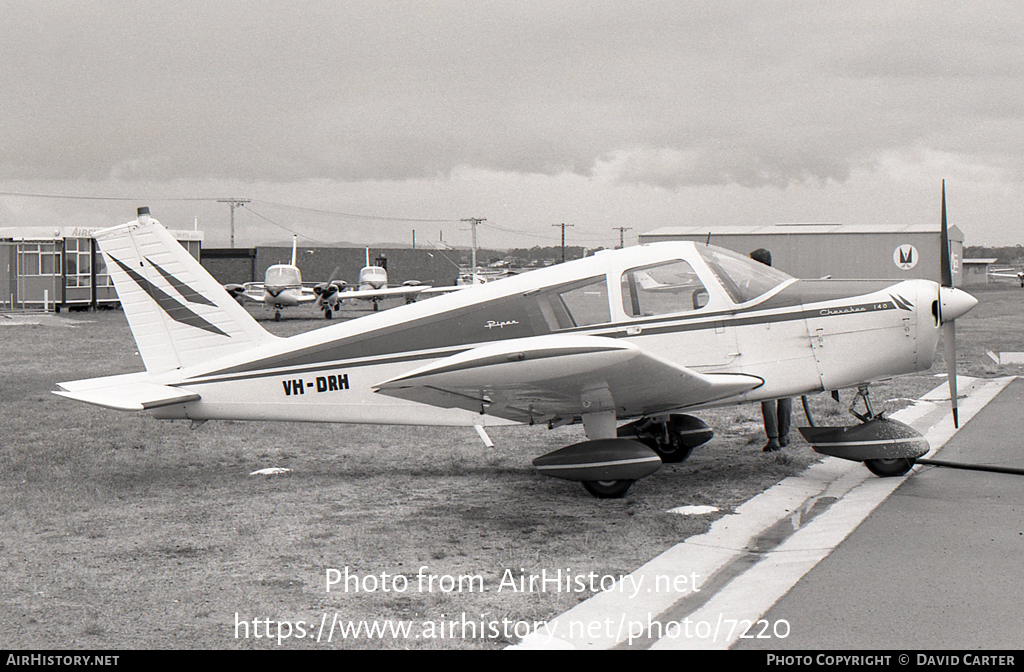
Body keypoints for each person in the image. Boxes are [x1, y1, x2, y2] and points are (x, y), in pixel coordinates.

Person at [749, 248, 791, 452]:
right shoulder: (779, 282)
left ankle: (773, 438)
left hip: (763, 343)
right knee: (786, 391)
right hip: (783, 341)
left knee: (767, 393)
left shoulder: (750, 285)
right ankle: (784, 436)